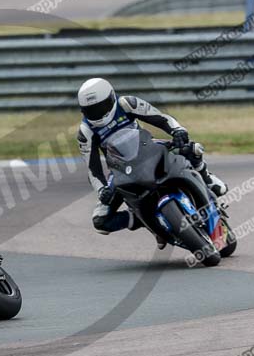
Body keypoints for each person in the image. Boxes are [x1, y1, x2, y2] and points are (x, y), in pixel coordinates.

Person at [76, 78, 227, 244]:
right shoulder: (86, 132)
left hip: (148, 148)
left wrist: (177, 131)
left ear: (112, 98)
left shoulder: (127, 103)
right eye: (91, 110)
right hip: (121, 168)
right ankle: (144, 220)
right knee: (101, 221)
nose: (97, 113)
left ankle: (206, 178)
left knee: (191, 148)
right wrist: (102, 190)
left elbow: (160, 118)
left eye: (101, 107)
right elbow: (93, 169)